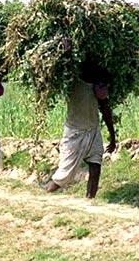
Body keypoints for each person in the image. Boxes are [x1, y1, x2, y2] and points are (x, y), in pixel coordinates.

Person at [44, 61, 116, 198]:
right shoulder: (72, 81)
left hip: (93, 130)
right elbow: (60, 71)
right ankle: (44, 195)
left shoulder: (97, 86)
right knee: (64, 175)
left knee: (96, 166)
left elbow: (106, 111)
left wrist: (112, 137)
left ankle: (90, 200)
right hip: (74, 133)